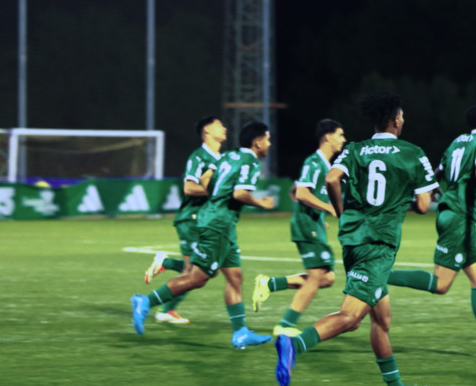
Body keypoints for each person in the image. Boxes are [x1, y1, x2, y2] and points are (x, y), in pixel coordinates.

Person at [273, 92, 438, 386]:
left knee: (382, 319)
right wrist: (407, 198)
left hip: (353, 239)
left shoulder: (355, 150)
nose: (403, 120)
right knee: (350, 318)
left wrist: (342, 211)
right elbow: (422, 205)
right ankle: (294, 344)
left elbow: (332, 178)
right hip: (378, 245)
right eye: (402, 116)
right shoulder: (413, 153)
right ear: (395, 120)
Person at [386, 104, 476, 358]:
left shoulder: (457, 142)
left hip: (458, 216)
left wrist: (425, 196)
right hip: (458, 217)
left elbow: (438, 173)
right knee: (441, 284)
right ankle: (380, 275)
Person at [130, 121, 277, 349]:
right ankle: (145, 302)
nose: (269, 144)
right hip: (218, 224)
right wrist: (261, 203)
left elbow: (206, 178)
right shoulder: (250, 161)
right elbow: (240, 193)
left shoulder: (229, 156)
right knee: (197, 278)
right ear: (257, 142)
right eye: (267, 139)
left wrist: (218, 194)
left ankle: (240, 332)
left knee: (235, 277)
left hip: (221, 223)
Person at [251, 119, 347, 337]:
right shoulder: (315, 162)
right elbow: (302, 194)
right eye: (340, 135)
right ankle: (285, 324)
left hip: (311, 223)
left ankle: (269, 284)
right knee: (317, 276)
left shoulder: (323, 164)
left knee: (327, 278)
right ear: (327, 137)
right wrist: (328, 208)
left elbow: (294, 191)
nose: (343, 139)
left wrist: (317, 215)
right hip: (306, 226)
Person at [143, 116, 226, 325]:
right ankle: (165, 309)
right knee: (196, 272)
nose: (224, 128)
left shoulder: (221, 159)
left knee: (209, 270)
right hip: (192, 220)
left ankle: (166, 265)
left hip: (206, 221)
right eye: (219, 126)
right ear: (207, 132)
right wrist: (216, 193)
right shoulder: (198, 157)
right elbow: (189, 188)